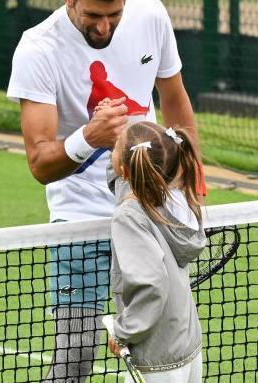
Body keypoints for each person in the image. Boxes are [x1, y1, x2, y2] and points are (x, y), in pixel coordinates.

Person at [6, 0, 203, 382]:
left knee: (171, 348)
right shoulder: (37, 49)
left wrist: (191, 184)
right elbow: (40, 162)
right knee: (75, 355)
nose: (104, 26)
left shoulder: (151, 16)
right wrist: (87, 138)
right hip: (80, 217)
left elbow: (174, 101)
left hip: (152, 206)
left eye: (113, 14)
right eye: (93, 16)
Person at [106, 121, 205, 383]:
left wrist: (124, 331)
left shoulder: (129, 216)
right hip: (188, 350)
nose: (112, 150)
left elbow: (152, 284)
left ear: (127, 169)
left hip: (157, 363)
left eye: (114, 148)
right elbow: (128, 183)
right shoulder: (176, 199)